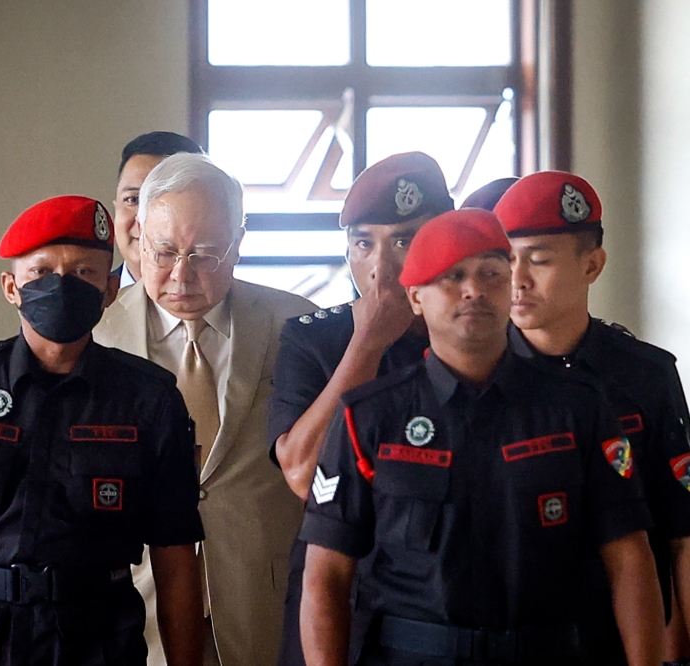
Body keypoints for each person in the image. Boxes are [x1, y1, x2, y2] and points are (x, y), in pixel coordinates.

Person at [300, 209, 664, 666]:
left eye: (492, 273)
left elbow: (630, 559)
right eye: (453, 277)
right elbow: (326, 575)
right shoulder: (369, 416)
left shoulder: (579, 407)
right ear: (416, 297)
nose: (474, 290)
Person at [0, 195, 205, 666]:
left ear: (110, 290)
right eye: (41, 272)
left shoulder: (149, 400)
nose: (61, 286)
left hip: (97, 643)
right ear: (12, 287)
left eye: (83, 273)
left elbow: (175, 558)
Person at [95, 153, 313, 666]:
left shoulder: (296, 327)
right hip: (135, 607)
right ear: (139, 235)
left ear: (238, 244)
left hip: (263, 600)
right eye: (165, 251)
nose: (181, 275)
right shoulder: (96, 333)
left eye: (206, 254)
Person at [494, 171, 690, 665]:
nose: (517, 279)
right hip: (511, 634)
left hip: (621, 636)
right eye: (506, 259)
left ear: (592, 265)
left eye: (538, 260)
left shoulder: (645, 374)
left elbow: (682, 529)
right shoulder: (481, 372)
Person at [269, 151, 453, 666]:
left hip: (439, 601)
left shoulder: (470, 334)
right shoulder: (315, 340)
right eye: (363, 243)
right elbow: (304, 474)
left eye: (403, 241)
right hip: (339, 603)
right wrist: (366, 344)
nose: (381, 265)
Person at [113, 131, 204, 287]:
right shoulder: (88, 305)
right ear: (116, 208)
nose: (143, 219)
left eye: (163, 203)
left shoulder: (247, 307)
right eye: (133, 200)